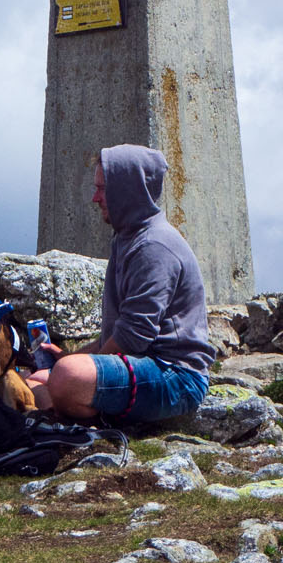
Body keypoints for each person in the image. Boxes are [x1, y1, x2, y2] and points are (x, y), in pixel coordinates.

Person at [26, 144, 213, 422]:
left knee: (65, 376)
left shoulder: (154, 246)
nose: (94, 198)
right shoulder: (128, 238)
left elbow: (134, 335)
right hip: (144, 364)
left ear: (127, 190)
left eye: (102, 189)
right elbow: (119, 334)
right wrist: (72, 355)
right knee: (33, 381)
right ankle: (71, 410)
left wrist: (76, 366)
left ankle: (87, 417)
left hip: (176, 376)